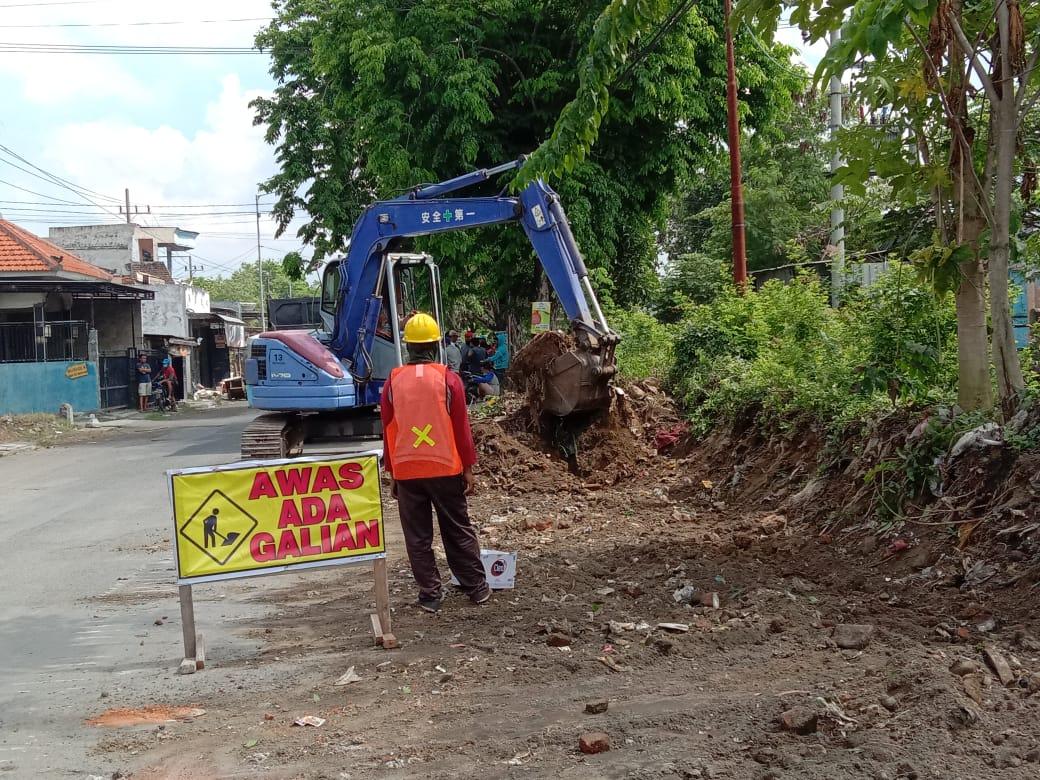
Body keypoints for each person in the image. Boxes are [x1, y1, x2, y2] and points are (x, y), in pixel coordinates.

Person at [380, 311, 490, 613]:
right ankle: (477, 588)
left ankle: (430, 594)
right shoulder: (448, 380)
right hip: (445, 468)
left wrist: (392, 473)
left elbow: (388, 430)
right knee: (457, 528)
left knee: (417, 536)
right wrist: (468, 468)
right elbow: (461, 430)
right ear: (434, 345)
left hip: (407, 470)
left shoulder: (392, 381)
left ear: (407, 347)